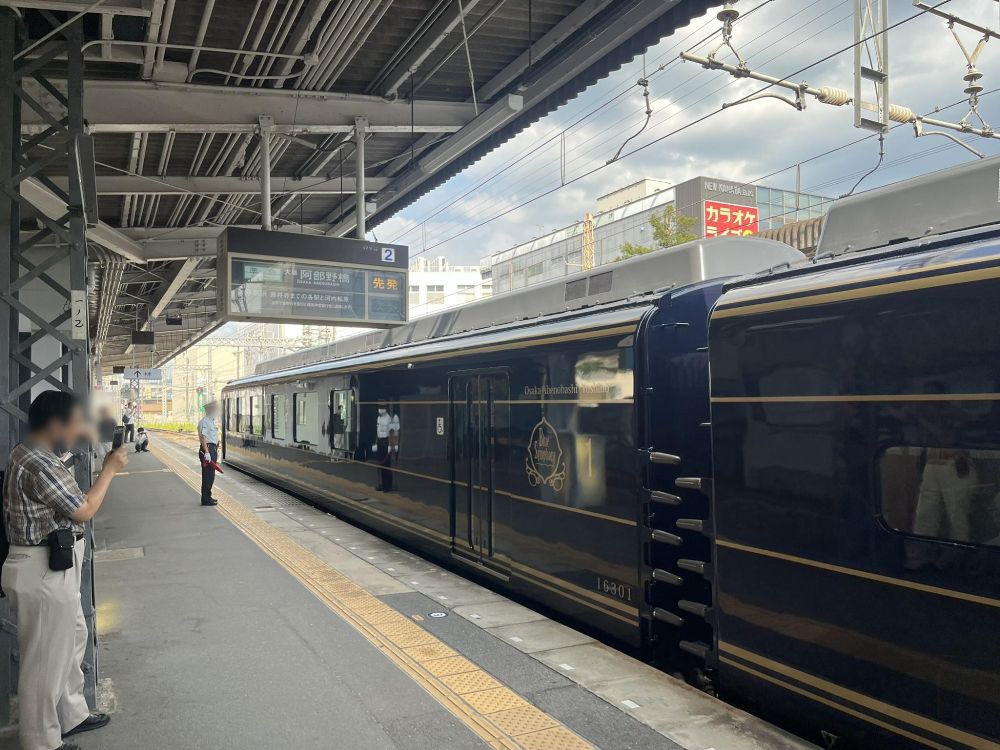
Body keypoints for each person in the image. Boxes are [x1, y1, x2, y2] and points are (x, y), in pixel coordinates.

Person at [2, 391, 127, 750]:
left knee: (71, 639)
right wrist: (109, 470)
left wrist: (86, 431)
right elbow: (83, 509)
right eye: (74, 426)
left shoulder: (33, 452)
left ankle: (70, 715)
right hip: (42, 571)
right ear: (55, 426)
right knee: (44, 663)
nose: (78, 433)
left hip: (51, 565)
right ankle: (41, 742)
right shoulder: (40, 463)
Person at [198, 401, 220, 506]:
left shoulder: (211, 421)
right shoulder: (205, 422)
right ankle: (205, 499)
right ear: (210, 410)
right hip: (208, 450)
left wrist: (216, 450)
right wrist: (207, 452)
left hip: (212, 449)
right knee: (207, 475)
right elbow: (203, 437)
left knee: (211, 475)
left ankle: (208, 496)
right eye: (214, 409)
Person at [373, 403, 399, 492]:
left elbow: (391, 432)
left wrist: (390, 445)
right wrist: (375, 443)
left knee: (386, 465)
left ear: (385, 408)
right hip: (380, 442)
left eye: (382, 407)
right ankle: (381, 484)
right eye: (380, 407)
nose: (380, 409)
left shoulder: (388, 418)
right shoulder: (378, 418)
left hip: (385, 442)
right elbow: (377, 432)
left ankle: (387, 486)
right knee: (380, 464)